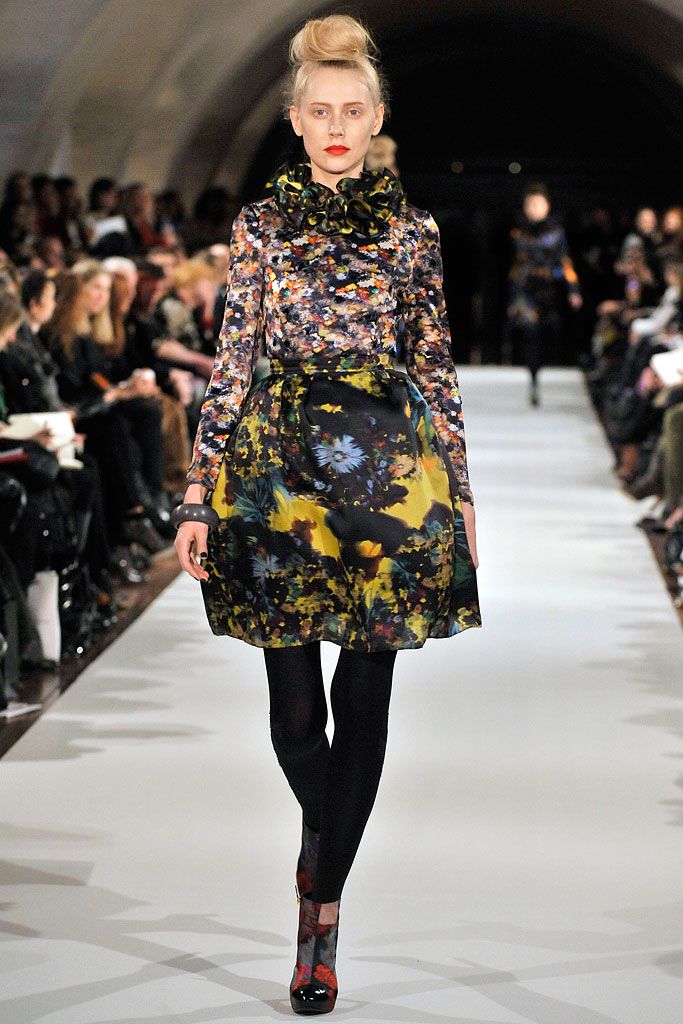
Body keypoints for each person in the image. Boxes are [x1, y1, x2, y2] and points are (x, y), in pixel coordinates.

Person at [173, 12, 481, 1016]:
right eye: (321, 111)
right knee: (297, 721)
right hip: (278, 480)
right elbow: (234, 361)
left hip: (391, 480)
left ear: (375, 118)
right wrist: (197, 491)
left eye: (353, 110)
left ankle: (320, 918)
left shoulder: (413, 233)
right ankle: (329, 835)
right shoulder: (259, 227)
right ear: (296, 121)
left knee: (368, 705)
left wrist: (462, 496)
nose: (337, 126)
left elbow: (434, 368)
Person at [506, 182, 583, 405]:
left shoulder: (557, 233)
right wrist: (512, 298)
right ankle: (534, 379)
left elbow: (565, 263)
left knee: (548, 335)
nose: (534, 208)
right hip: (526, 292)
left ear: (547, 206)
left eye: (538, 204)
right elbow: (515, 267)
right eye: (530, 204)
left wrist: (573, 290)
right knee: (530, 334)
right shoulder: (518, 232)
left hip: (551, 292)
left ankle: (541, 373)